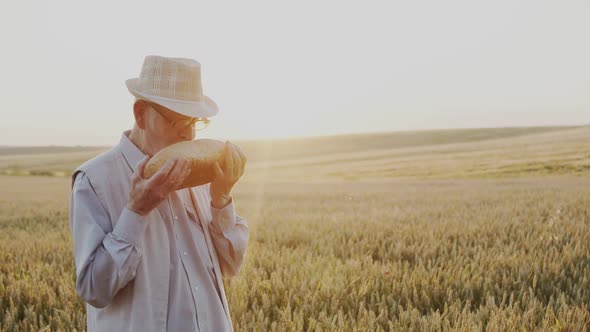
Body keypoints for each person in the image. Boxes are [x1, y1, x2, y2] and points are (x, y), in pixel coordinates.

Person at [68, 55, 249, 332]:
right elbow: (94, 289)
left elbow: (230, 266)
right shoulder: (95, 180)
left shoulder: (201, 173)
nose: (188, 136)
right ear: (141, 113)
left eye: (195, 122)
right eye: (177, 121)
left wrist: (221, 199)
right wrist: (136, 212)